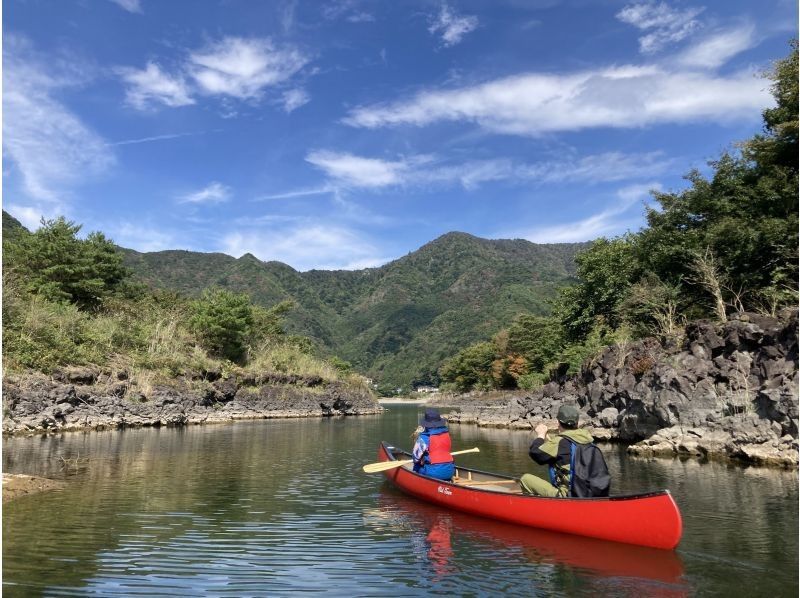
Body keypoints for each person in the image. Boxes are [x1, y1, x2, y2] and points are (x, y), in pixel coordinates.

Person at [520, 404, 596, 497]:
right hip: (590, 492)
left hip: (568, 494)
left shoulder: (560, 442)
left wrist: (540, 435)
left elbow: (536, 453)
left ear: (558, 423)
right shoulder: (588, 440)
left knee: (525, 479)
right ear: (577, 423)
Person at [412, 408, 455, 481]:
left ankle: (416, 479)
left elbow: (415, 457)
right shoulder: (447, 434)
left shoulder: (425, 437)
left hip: (433, 474)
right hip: (450, 471)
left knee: (416, 465)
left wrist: (422, 460)